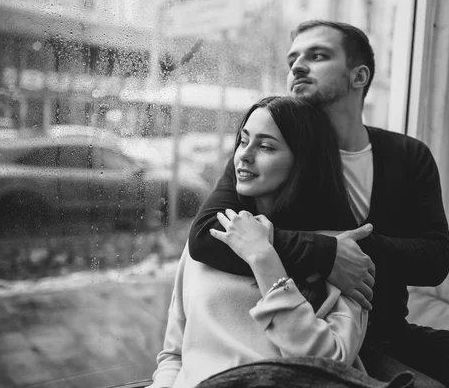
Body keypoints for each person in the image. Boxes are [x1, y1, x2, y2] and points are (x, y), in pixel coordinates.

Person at [187, 20, 449, 388]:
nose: (297, 66)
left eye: (317, 55)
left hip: (389, 330)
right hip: (311, 331)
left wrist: (351, 249)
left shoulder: (407, 155)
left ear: (359, 76)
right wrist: (326, 250)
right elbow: (206, 237)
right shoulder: (272, 150)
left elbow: (434, 260)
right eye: (292, 60)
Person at [149, 96, 410, 388]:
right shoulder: (213, 234)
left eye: (265, 146)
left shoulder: (344, 253)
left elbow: (331, 364)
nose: (243, 155)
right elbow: (174, 355)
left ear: (303, 162)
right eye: (243, 141)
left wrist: (265, 259)